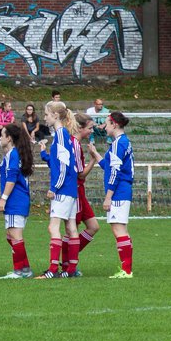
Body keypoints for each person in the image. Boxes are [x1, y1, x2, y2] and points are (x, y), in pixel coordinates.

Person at [37, 101, 79, 279]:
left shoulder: (61, 135)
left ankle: (52, 270)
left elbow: (63, 166)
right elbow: (59, 162)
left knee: (53, 227)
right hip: (70, 188)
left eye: (46, 114)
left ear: (55, 115)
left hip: (63, 189)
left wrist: (54, 187)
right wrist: (44, 154)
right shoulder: (62, 135)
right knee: (70, 228)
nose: (44, 117)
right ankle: (70, 270)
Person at [0, 123, 35, 279]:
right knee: (10, 235)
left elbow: (11, 179)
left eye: (2, 134)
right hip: (19, 200)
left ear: (9, 138)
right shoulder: (13, 154)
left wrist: (3, 199)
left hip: (15, 201)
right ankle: (25, 269)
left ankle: (18, 271)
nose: (0, 137)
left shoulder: (13, 154)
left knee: (16, 236)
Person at [99, 112, 135, 278]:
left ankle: (126, 270)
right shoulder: (124, 142)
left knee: (118, 229)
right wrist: (96, 155)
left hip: (119, 192)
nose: (104, 127)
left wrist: (108, 196)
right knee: (122, 230)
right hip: (123, 190)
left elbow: (115, 172)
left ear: (114, 124)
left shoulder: (117, 144)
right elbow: (109, 166)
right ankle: (127, 269)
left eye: (106, 123)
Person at [71, 113, 101, 268]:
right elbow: (80, 173)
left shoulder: (76, 144)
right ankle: (69, 264)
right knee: (72, 230)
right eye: (89, 128)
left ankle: (70, 258)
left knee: (93, 226)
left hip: (80, 191)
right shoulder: (74, 145)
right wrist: (93, 159)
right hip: (74, 191)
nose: (91, 131)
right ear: (80, 127)